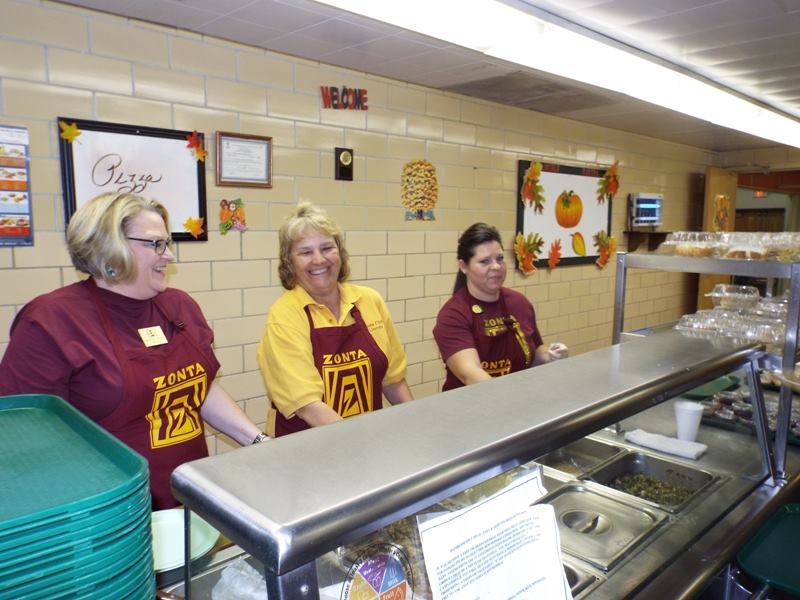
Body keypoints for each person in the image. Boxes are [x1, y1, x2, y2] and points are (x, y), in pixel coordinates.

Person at [0, 192, 264, 510]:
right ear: (110, 246)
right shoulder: (51, 320)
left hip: (190, 497)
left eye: (167, 243)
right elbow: (24, 437)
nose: (169, 256)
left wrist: (258, 441)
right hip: (110, 513)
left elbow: (200, 388)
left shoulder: (179, 305)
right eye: (156, 244)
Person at [256, 202, 413, 436]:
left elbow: (393, 381)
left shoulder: (369, 301)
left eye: (327, 248)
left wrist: (416, 425)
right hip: (303, 448)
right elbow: (308, 407)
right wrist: (362, 442)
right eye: (306, 252)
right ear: (290, 262)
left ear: (340, 252)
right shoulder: (285, 316)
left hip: (364, 441)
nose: (319, 260)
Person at [432, 222, 568, 391]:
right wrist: (509, 397)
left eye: (500, 258)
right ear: (463, 266)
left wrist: (550, 355)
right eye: (485, 261)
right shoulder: (453, 315)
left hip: (517, 397)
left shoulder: (519, 303)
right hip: (472, 403)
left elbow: (535, 351)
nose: (496, 266)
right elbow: (471, 374)